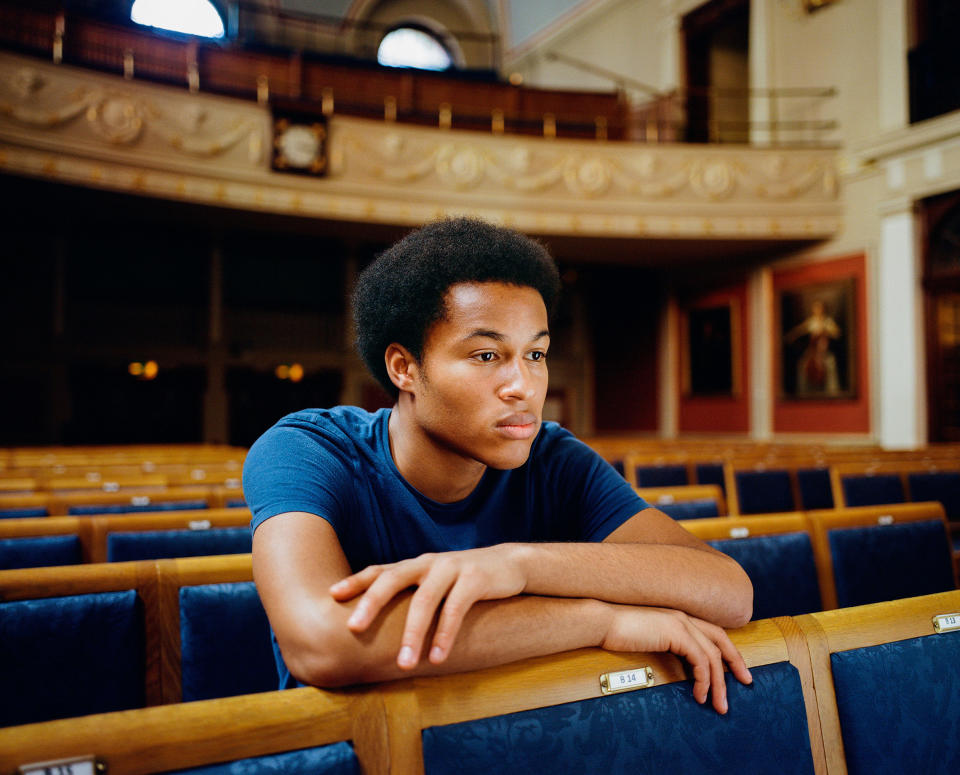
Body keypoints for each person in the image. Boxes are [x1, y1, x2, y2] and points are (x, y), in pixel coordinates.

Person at [244, 217, 753, 714]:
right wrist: (601, 621)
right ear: (405, 368)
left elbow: (729, 592)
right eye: (487, 356)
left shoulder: (553, 458)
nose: (524, 386)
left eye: (536, 354)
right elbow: (322, 642)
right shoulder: (307, 449)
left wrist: (518, 565)